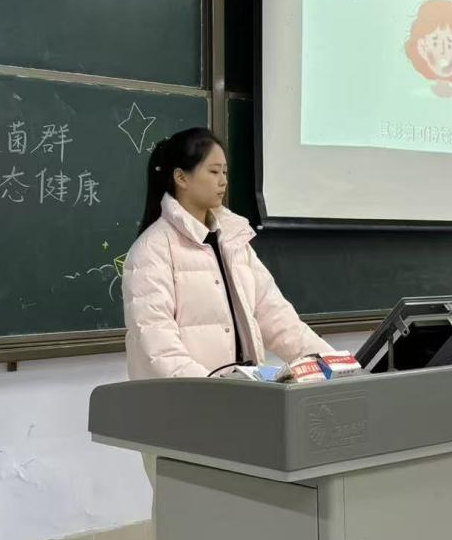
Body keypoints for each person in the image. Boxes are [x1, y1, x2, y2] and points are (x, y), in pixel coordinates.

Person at [122, 127, 334, 381]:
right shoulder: (152, 250)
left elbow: (278, 319)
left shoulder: (234, 241)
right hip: (189, 398)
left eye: (224, 172)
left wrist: (333, 363)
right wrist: (215, 391)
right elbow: (159, 347)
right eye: (213, 172)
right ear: (181, 178)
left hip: (243, 393)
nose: (223, 181)